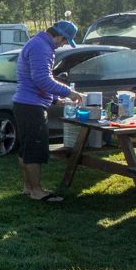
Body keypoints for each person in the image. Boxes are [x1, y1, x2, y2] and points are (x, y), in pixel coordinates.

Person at [13, 20, 84, 202]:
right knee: (35, 150)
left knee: (26, 149)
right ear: (59, 36)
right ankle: (37, 191)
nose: (64, 45)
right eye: (65, 41)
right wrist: (70, 92)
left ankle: (28, 188)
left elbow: (35, 78)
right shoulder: (41, 47)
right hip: (31, 107)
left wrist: (54, 98)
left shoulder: (38, 43)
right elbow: (41, 79)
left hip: (25, 104)